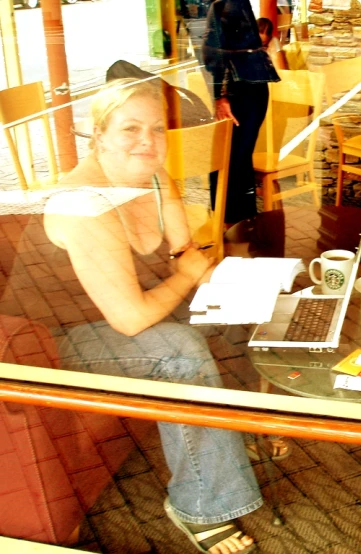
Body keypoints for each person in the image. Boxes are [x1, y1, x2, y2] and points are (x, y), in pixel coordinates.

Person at [4, 79, 281, 554]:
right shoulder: (84, 205)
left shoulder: (150, 175)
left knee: (238, 307)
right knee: (180, 353)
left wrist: (241, 290)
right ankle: (200, 505)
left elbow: (185, 253)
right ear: (100, 137)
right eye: (130, 128)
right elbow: (132, 319)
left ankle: (230, 431)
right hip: (48, 344)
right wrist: (191, 275)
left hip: (119, 312)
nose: (148, 141)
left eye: (156, 128)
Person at [203, 0, 280, 225]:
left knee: (231, 156)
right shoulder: (226, 3)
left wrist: (220, 93)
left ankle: (233, 220)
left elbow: (215, 49)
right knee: (234, 156)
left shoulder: (226, 3)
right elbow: (216, 49)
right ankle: (237, 220)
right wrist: (221, 93)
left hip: (244, 89)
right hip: (246, 88)